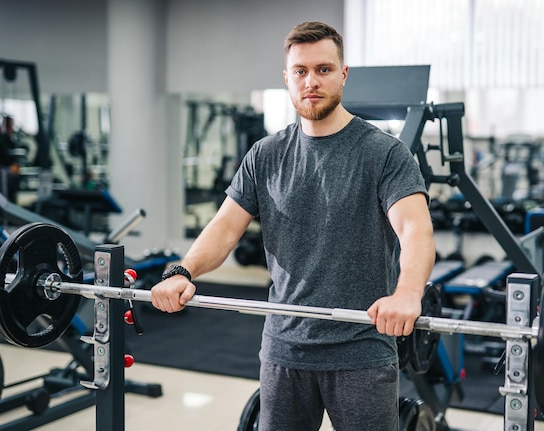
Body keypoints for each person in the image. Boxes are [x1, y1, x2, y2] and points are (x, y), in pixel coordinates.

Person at [151, 21, 436, 430]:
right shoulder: (266, 155)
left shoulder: (383, 153)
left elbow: (415, 230)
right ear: (287, 79)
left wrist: (408, 294)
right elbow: (224, 228)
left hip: (360, 350)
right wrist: (183, 271)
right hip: (283, 349)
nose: (311, 81)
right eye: (300, 71)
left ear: (343, 74)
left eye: (323, 69)